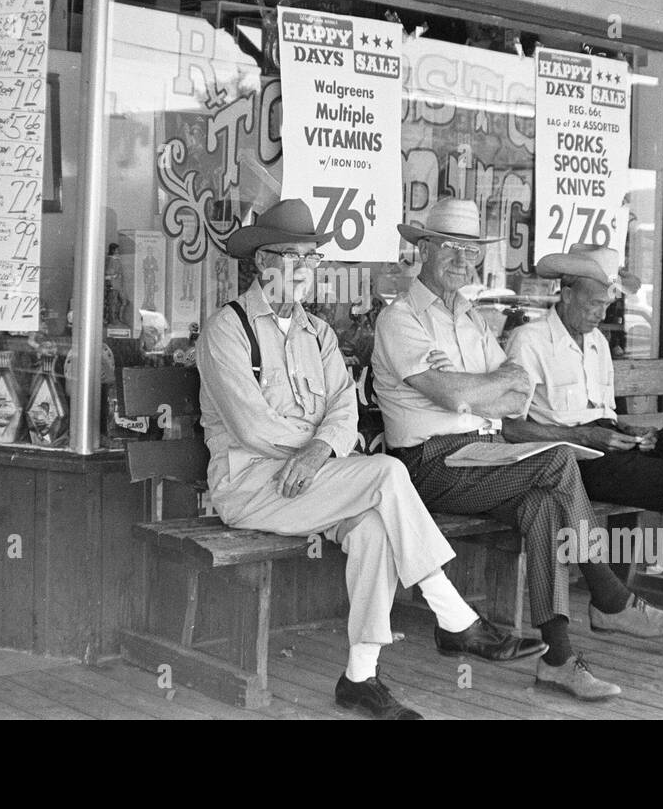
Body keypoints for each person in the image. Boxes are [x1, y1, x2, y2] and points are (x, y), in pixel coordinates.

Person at [196, 199, 546, 721]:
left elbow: (343, 413)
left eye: (311, 259)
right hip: (253, 489)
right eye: (289, 257)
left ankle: (360, 677)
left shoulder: (318, 334)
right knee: (387, 472)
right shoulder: (228, 329)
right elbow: (252, 427)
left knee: (374, 531)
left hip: (317, 483)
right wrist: (319, 450)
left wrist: (320, 450)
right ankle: (453, 617)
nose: (302, 270)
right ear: (262, 263)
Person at [373, 199, 663, 701]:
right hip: (428, 464)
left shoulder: (473, 319)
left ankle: (559, 659)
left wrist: (477, 385)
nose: (462, 258)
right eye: (450, 247)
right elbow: (448, 394)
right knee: (561, 457)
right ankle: (608, 593)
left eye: (471, 249)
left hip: (483, 455)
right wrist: (476, 387)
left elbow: (518, 387)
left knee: (545, 504)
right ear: (424, 248)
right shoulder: (401, 318)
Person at [504, 242, 663, 663]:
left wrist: (628, 430)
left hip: (616, 445)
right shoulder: (528, 342)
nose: (600, 314)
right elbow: (511, 427)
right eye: (592, 304)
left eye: (606, 305)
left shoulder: (597, 344)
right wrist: (589, 436)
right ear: (566, 293)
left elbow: (604, 412)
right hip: (578, 460)